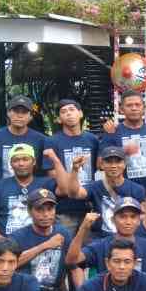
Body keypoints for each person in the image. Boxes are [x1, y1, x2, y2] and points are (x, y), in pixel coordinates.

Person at [8, 188, 78, 291]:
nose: (46, 214)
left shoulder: (63, 233)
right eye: (39, 210)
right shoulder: (18, 236)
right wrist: (44, 246)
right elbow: (10, 264)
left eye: (50, 209)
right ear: (29, 211)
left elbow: (73, 265)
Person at [57, 145, 146, 240]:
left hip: (127, 240)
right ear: (102, 164)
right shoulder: (95, 187)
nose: (113, 166)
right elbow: (74, 194)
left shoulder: (137, 189)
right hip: (100, 240)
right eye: (109, 162)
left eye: (118, 161)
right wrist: (75, 169)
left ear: (124, 164)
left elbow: (142, 216)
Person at [44, 98, 100, 235]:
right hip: (64, 209)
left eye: (72, 109)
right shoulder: (52, 141)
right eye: (63, 111)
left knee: (88, 247)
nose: (68, 113)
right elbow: (54, 178)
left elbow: (99, 168)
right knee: (63, 244)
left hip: (89, 206)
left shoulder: (92, 139)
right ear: (59, 119)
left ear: (80, 113)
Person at [72, 196, 146, 280]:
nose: (128, 222)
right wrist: (83, 228)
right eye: (122, 217)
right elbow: (73, 259)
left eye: (133, 217)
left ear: (139, 221)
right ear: (113, 220)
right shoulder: (101, 245)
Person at [100, 90, 146, 189]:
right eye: (129, 105)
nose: (134, 108)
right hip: (123, 192)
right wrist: (124, 151)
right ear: (121, 109)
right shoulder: (113, 131)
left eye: (137, 105)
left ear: (144, 108)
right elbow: (100, 164)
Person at [0, 144, 58, 241]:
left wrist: (54, 159)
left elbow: (65, 190)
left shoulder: (47, 183)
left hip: (40, 240)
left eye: (25, 159)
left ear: (34, 161)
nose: (21, 164)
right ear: (10, 164)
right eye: (16, 160)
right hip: (8, 243)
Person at [0, 95, 48, 183]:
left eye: (24, 112)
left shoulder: (41, 140)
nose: (19, 115)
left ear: (31, 116)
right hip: (1, 189)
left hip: (32, 190)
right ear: (8, 113)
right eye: (16, 111)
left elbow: (43, 170)